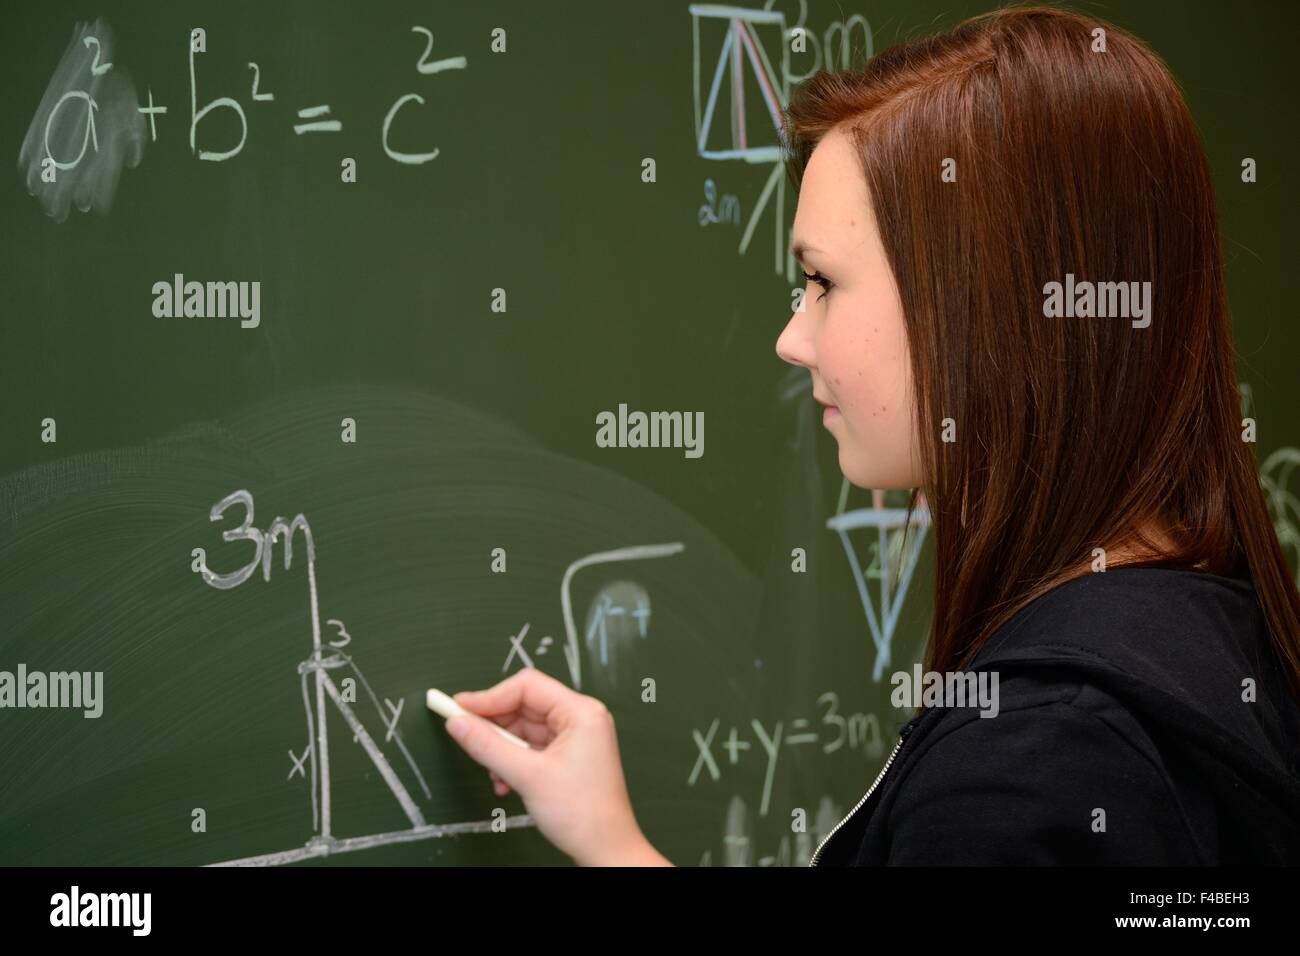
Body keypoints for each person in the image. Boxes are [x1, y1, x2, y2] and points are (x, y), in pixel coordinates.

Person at [442, 5, 1300, 865]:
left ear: (984, 314)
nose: (792, 338)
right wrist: (611, 841)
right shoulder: (1208, 633)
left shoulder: (1025, 773)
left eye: (822, 282)